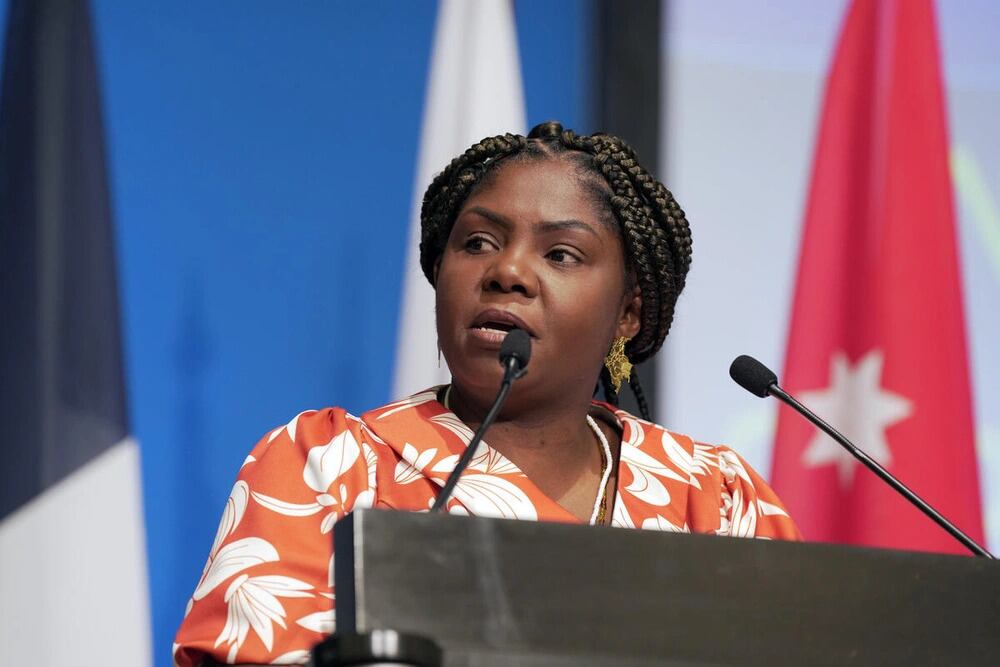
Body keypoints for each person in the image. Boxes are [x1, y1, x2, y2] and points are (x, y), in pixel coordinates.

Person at [173, 122, 800, 666]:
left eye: (561, 254)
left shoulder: (713, 498)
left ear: (628, 314)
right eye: (477, 243)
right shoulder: (330, 466)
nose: (507, 271)